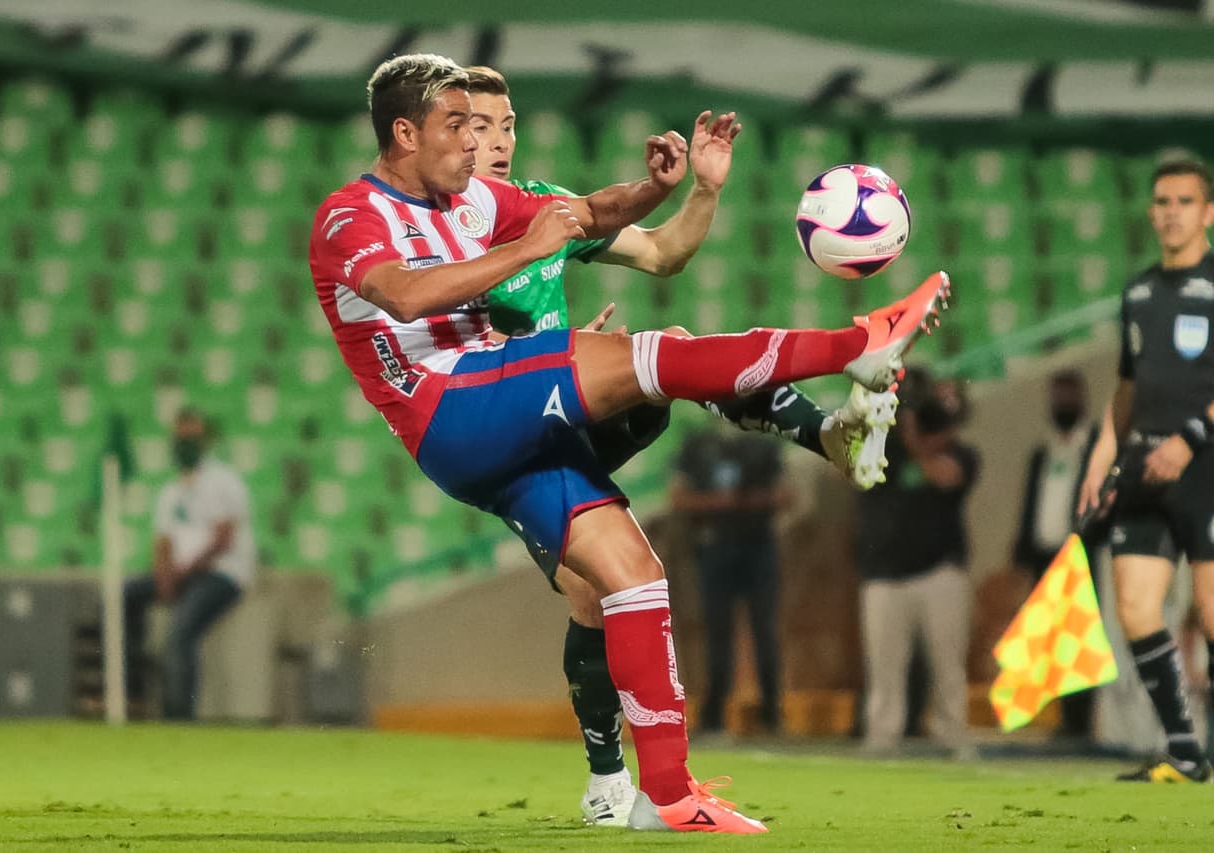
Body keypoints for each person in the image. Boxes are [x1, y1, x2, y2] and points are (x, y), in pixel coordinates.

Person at [308, 53, 949, 834]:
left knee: (632, 577)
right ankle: (858, 345)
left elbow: (584, 214)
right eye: (459, 128)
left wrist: (658, 189)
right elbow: (405, 293)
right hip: (452, 407)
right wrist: (528, 249)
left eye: (492, 130)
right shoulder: (352, 214)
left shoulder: (476, 198)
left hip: (505, 417)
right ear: (405, 133)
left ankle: (670, 796)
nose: (479, 146)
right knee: (658, 354)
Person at [463, 65, 898, 825]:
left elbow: (665, 256)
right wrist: (539, 352)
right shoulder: (436, 227)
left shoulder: (544, 210)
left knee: (675, 355)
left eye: (505, 126)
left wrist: (703, 189)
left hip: (569, 406)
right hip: (503, 426)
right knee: (591, 591)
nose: (496, 142)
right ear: (440, 131)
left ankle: (826, 432)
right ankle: (608, 778)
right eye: (477, 127)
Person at [1078, 158, 1214, 783]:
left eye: (1184, 201)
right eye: (1162, 201)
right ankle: (1185, 749)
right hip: (1144, 468)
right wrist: (1101, 459)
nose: (1171, 211)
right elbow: (1126, 389)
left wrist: (1192, 437)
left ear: (1208, 212)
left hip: (1206, 467)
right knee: (1135, 607)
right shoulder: (1137, 293)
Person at [854, 369, 978, 759]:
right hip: (884, 574)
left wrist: (913, 434)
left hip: (939, 573)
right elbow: (850, 469)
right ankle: (882, 737)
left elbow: (946, 476)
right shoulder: (879, 448)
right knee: (884, 669)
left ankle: (952, 735)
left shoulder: (961, 453)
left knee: (948, 666)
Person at [123, 408, 255, 720]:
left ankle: (179, 715)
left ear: (205, 440)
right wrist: (164, 575)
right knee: (124, 596)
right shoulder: (171, 491)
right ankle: (133, 692)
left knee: (182, 629)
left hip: (222, 573)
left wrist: (183, 572)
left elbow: (224, 538)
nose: (184, 443)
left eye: (191, 437)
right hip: (183, 574)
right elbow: (162, 541)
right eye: (180, 437)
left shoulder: (224, 482)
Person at [671, 424, 790, 736]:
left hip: (757, 546)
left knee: (764, 630)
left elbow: (785, 495)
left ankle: (771, 713)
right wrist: (719, 504)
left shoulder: (762, 443)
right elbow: (679, 498)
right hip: (715, 548)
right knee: (717, 633)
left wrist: (740, 503)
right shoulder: (699, 443)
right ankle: (713, 714)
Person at [1012, 368, 1100, 741]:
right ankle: (1066, 719)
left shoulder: (1093, 448)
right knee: (1053, 641)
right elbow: (1031, 505)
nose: (1061, 404)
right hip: (1043, 557)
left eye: (1068, 396)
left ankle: (1084, 725)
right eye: (1056, 396)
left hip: (1080, 555)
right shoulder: (1042, 452)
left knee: (1080, 640)